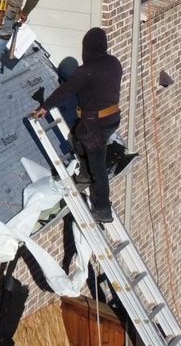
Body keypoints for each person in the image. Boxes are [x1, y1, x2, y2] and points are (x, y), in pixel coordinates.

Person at [30, 27, 123, 223]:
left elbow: (66, 90)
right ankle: (85, 175)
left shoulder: (86, 71)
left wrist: (45, 107)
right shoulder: (114, 63)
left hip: (95, 124)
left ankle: (102, 209)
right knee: (76, 138)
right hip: (111, 118)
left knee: (98, 166)